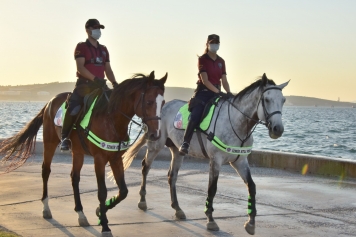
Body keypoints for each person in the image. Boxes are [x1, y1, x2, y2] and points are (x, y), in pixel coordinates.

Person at [60, 19, 119, 151]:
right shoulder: (81, 47)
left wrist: (115, 83)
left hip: (101, 86)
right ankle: (64, 137)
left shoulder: (104, 49)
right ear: (87, 30)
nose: (98, 31)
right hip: (84, 86)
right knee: (74, 108)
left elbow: (108, 69)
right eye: (95, 28)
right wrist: (94, 78)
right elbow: (80, 68)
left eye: (100, 29)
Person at [179, 34, 233, 156]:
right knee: (196, 114)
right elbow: (205, 80)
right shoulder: (202, 59)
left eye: (216, 43)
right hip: (204, 92)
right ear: (207, 44)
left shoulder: (221, 61)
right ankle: (185, 143)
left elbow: (224, 81)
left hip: (217, 92)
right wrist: (218, 92)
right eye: (212, 42)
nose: (214, 45)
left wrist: (229, 93)